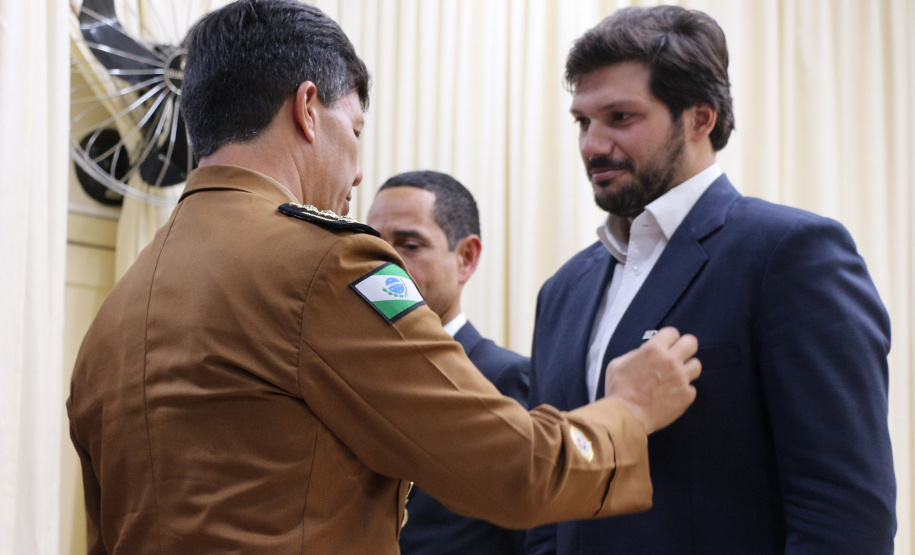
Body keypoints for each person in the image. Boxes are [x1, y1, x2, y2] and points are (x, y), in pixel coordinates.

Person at [66, 1, 702, 553]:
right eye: (355, 130)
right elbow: (516, 470)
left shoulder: (120, 307)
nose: (358, 172)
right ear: (308, 109)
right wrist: (626, 411)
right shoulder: (322, 264)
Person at [525, 5, 896, 555]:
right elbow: (547, 511)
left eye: (620, 117)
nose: (592, 145)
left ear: (700, 119)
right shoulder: (563, 290)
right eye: (583, 121)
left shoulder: (791, 254)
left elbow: (845, 515)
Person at [367, 170, 529, 554]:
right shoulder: (350, 375)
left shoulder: (504, 379)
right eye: (371, 245)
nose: (381, 265)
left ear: (466, 258)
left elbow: (534, 533)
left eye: (409, 245)